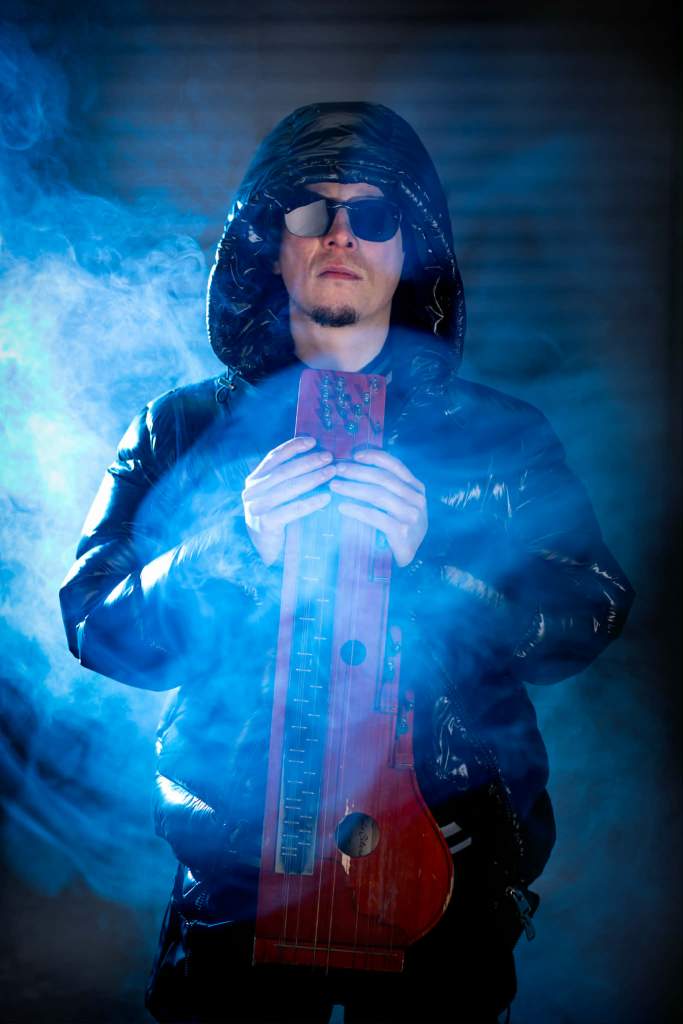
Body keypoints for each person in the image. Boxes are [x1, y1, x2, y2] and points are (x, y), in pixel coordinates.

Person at [59, 102, 635, 1024]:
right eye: (309, 211)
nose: (339, 235)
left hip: (446, 867)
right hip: (237, 880)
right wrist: (227, 548)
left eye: (373, 214)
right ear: (268, 243)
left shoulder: (500, 437)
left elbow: (592, 611)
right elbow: (94, 624)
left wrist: (435, 560)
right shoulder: (180, 428)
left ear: (412, 248)